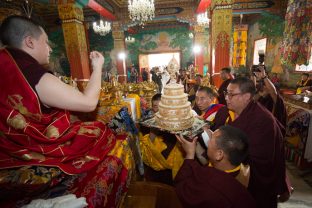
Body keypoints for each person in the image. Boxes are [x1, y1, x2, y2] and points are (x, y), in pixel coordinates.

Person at [0, 16, 132, 207]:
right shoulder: (29, 71)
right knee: (98, 129)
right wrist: (97, 68)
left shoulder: (6, 63)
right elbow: (88, 104)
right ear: (29, 42)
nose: (50, 49)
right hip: (25, 149)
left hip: (5, 144)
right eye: (46, 42)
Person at [215, 77, 289, 208]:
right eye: (226, 93)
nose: (226, 97)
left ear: (247, 96)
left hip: (255, 179)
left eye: (231, 94)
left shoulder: (263, 120)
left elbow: (258, 158)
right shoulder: (226, 112)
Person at [174, 125, 256, 208]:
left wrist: (189, 154)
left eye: (211, 140)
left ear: (219, 154)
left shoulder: (209, 188)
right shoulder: (243, 169)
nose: (208, 141)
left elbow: (181, 186)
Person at [139, 93, 184, 185]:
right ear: (152, 108)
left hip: (173, 172)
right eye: (156, 107)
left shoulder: (177, 125)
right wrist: (152, 131)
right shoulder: (146, 125)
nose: (159, 110)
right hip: (154, 172)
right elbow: (146, 156)